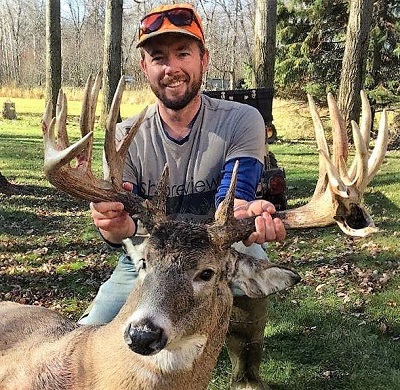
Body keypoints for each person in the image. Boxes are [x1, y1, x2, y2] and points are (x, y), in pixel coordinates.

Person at [79, 3, 285, 389]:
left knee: (253, 269)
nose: (171, 67)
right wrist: (114, 226)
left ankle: (246, 373)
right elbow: (120, 226)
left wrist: (248, 213)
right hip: (148, 256)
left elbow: (234, 197)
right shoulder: (127, 137)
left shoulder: (241, 120)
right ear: (145, 68)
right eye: (158, 57)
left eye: (183, 54)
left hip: (212, 250)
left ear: (203, 59)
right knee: (88, 331)